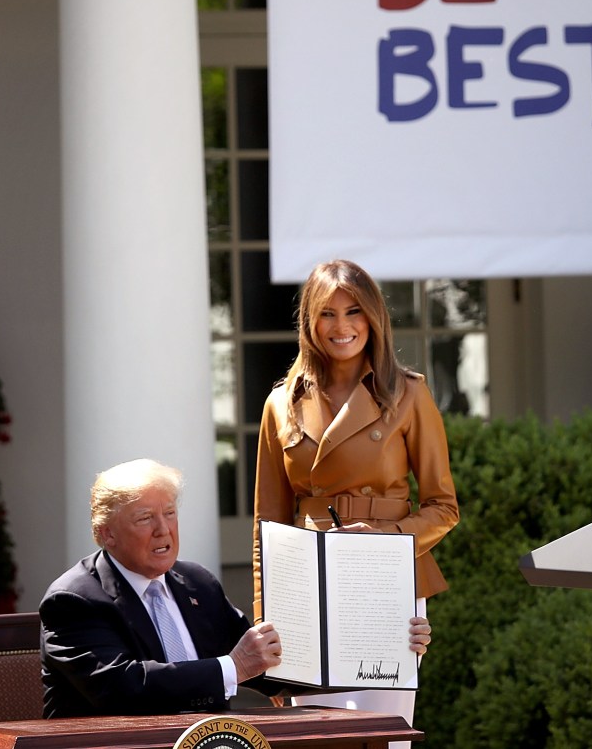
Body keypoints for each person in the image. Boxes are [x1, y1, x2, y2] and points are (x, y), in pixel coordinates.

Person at [41, 457, 432, 718]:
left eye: (170, 513)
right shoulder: (74, 600)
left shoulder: (196, 583)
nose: (164, 530)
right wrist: (233, 666)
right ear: (105, 533)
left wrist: (387, 645)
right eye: (145, 518)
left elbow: (270, 668)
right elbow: (124, 688)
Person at [253, 259, 459, 736]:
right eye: (327, 313)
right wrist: (267, 622)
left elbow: (444, 508)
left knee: (380, 737)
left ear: (373, 318)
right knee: (312, 738)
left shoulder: (409, 394)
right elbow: (268, 529)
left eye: (353, 312)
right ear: (309, 321)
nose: (341, 326)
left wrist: (382, 542)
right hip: (306, 587)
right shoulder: (280, 404)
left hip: (381, 585)